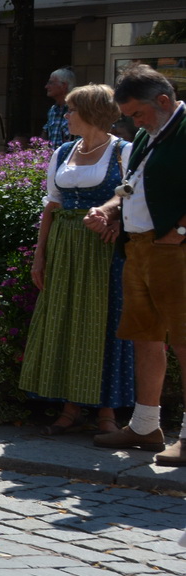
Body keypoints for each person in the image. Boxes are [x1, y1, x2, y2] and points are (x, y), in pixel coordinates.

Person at [85, 64, 186, 461]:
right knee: (146, 336)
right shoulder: (149, 133)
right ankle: (146, 427)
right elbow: (132, 187)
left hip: (174, 249)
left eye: (137, 114)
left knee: (183, 339)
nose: (133, 123)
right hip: (141, 248)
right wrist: (109, 211)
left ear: (163, 101)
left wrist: (178, 232)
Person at [20, 83, 133, 435]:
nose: (65, 115)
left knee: (107, 324)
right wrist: (40, 255)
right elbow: (51, 208)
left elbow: (135, 197)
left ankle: (107, 413)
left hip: (104, 250)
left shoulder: (123, 152)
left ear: (90, 113)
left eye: (71, 110)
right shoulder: (63, 152)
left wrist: (117, 221)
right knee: (66, 322)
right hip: (65, 247)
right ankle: (69, 408)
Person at [43, 67, 76, 148]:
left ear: (64, 86)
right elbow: (45, 133)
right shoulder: (52, 110)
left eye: (51, 83)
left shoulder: (77, 110)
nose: (46, 86)